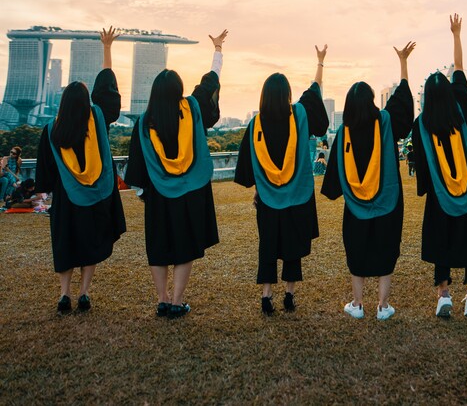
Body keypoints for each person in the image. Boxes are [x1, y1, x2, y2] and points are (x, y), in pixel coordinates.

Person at [125, 31, 226, 319]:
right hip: (190, 191)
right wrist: (217, 50)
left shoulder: (145, 123)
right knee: (184, 246)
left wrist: (143, 192)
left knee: (159, 246)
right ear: (180, 89)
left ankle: (162, 298)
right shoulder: (192, 108)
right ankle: (177, 301)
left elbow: (137, 163)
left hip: (158, 192)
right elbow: (210, 81)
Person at [412, 14, 467, 318]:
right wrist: (456, 35)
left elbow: (419, 163)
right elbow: (460, 69)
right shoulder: (461, 109)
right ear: (449, 92)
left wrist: (428, 186)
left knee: (442, 242)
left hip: (441, 196)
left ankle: (443, 294)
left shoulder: (420, 125)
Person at [35, 27, 126, 314]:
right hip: (96, 197)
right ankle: (84, 294)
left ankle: (64, 295)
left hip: (66, 199)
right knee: (90, 243)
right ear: (87, 103)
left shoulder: (51, 130)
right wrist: (107, 48)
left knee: (67, 246)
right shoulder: (97, 118)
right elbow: (107, 90)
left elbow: (45, 174)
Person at [322, 42, 415, 321]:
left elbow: (334, 176)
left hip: (355, 207)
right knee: (387, 248)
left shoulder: (344, 132)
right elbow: (404, 105)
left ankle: (358, 303)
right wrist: (403, 64)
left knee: (358, 250)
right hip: (388, 201)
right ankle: (383, 306)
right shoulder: (385, 120)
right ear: (373, 101)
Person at [235, 46, 329, 315]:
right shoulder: (299, 114)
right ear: (288, 94)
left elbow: (249, 164)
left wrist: (259, 189)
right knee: (292, 246)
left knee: (267, 246)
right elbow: (315, 91)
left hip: (267, 199)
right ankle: (289, 295)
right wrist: (320, 62)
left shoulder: (256, 125)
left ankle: (266, 297)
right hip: (297, 197)